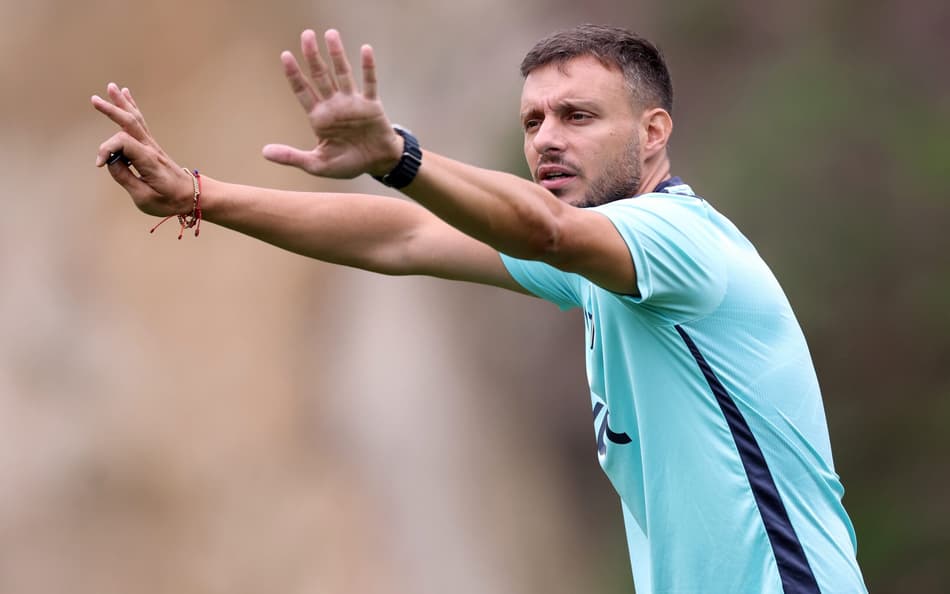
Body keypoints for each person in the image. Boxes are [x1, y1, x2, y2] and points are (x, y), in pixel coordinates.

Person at [92, 24, 867, 594]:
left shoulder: (680, 243)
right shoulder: (604, 266)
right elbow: (404, 237)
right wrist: (201, 194)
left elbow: (546, 227)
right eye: (534, 122)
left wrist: (400, 156)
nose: (547, 140)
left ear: (654, 131)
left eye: (578, 116)